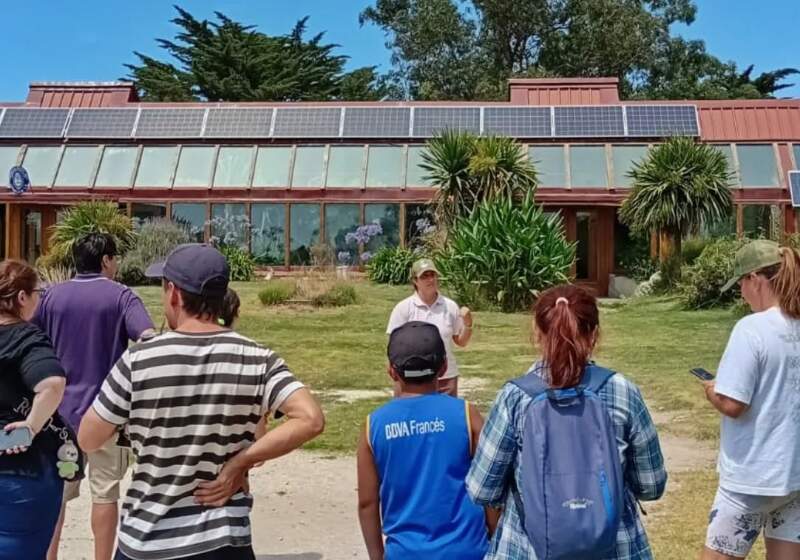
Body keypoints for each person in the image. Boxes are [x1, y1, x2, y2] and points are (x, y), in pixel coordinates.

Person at [77, 243, 325, 560]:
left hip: (149, 538)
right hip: (224, 540)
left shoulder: (138, 360)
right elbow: (310, 419)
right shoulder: (257, 358)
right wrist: (241, 462)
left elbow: (88, 438)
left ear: (175, 294)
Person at [467, 284, 667, 559]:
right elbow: (651, 485)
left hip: (527, 548)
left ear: (537, 333)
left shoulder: (515, 397)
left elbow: (481, 488)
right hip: (614, 548)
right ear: (595, 335)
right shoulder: (623, 391)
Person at [36, 233, 156, 560]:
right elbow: (147, 337)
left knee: (57, 496)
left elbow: (29, 336)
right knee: (104, 494)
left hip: (58, 417)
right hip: (107, 416)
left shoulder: (51, 297)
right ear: (105, 260)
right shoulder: (121, 297)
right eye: (114, 258)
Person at [357, 321, 493, 560]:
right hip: (467, 550)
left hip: (405, 553)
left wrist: (377, 557)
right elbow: (490, 485)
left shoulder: (373, 426)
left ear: (391, 370)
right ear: (444, 366)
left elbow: (367, 503)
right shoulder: (466, 414)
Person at [700, 240, 800, 560]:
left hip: (751, 480)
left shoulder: (751, 329)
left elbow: (734, 404)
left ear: (755, 279)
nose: (741, 293)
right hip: (794, 476)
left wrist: (711, 390)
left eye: (741, 283)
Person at [0, 260, 67, 560]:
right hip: (21, 473)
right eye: (37, 291)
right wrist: (31, 426)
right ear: (22, 298)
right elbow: (52, 384)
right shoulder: (26, 338)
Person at [386, 259, 472, 396]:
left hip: (446, 378)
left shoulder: (450, 306)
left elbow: (460, 341)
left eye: (433, 275)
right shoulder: (403, 308)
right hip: (411, 380)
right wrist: (396, 375)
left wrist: (468, 325)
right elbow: (394, 345)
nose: (430, 279)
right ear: (415, 280)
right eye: (424, 276)